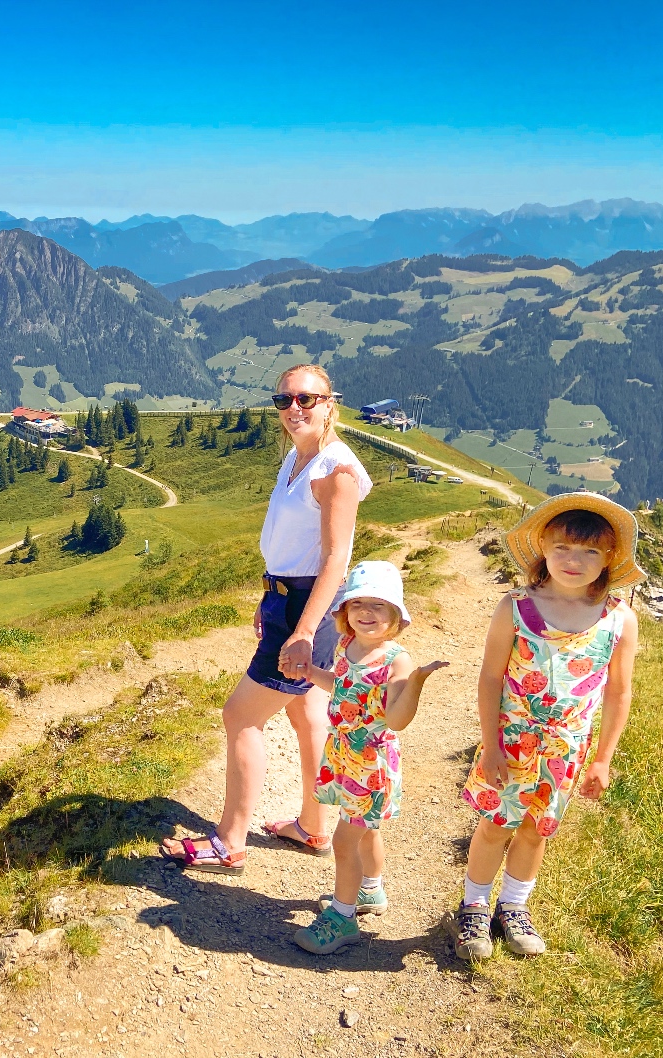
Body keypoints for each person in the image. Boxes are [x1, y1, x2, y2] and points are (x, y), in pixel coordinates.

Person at [161, 365, 372, 874]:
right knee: (306, 712)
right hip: (288, 598)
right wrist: (269, 590)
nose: (293, 409)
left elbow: (334, 560)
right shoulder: (300, 460)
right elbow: (291, 543)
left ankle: (229, 840)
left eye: (306, 398)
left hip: (308, 610)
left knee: (241, 715)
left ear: (330, 403)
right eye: (284, 400)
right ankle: (315, 825)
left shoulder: (335, 471)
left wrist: (301, 630)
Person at [449, 493, 642, 959]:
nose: (573, 561)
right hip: (512, 743)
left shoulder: (618, 619)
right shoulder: (515, 608)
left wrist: (603, 760)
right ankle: (474, 908)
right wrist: (491, 746)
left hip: (567, 750)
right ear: (543, 550)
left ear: (610, 557)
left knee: (538, 829)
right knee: (496, 823)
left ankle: (513, 908)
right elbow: (491, 678)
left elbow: (618, 693)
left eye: (590, 551)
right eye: (561, 548)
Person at [293, 561, 448, 953]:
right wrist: (310, 672)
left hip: (371, 764)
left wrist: (415, 684)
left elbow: (396, 719)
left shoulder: (396, 659)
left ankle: (342, 918)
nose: (366, 612)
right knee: (366, 831)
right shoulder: (347, 647)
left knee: (345, 841)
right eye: (357, 603)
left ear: (396, 614)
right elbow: (342, 687)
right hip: (345, 756)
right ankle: (370, 892)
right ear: (344, 612)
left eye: (378, 605)